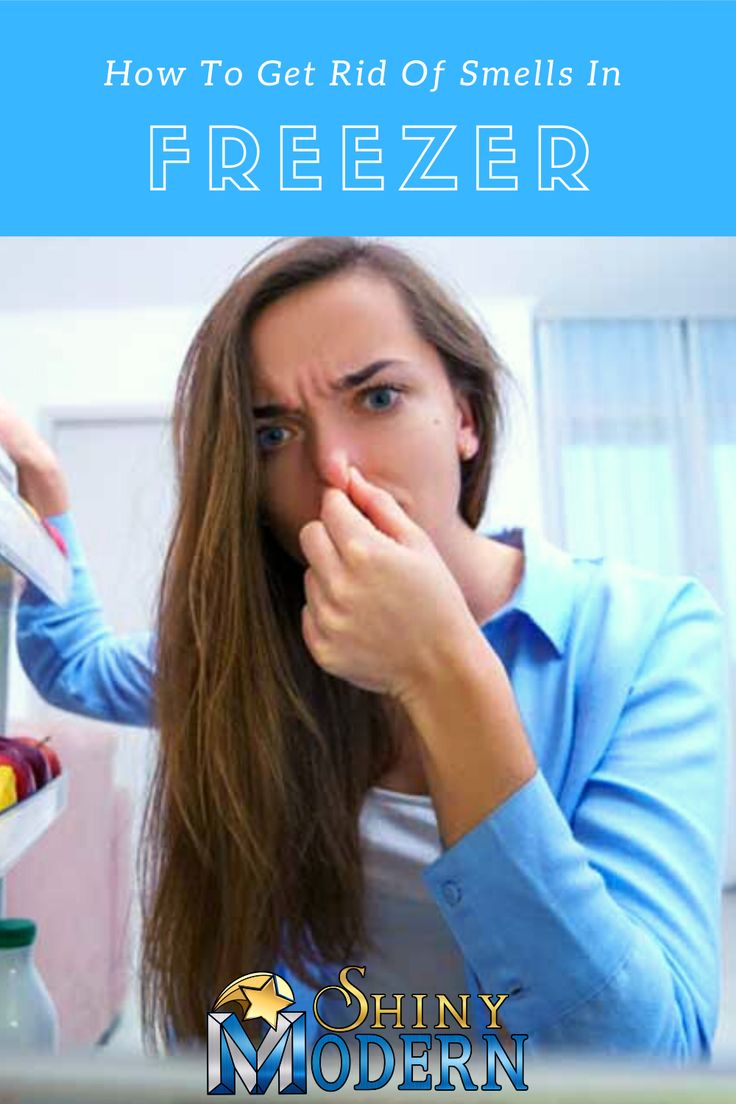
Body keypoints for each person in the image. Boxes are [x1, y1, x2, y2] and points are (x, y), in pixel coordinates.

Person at [2, 238, 729, 1066]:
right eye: (273, 433)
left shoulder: (646, 635)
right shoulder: (256, 650)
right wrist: (46, 491)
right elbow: (79, 667)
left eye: (378, 397)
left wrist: (441, 668)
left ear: (462, 416)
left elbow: (647, 1059)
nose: (332, 467)